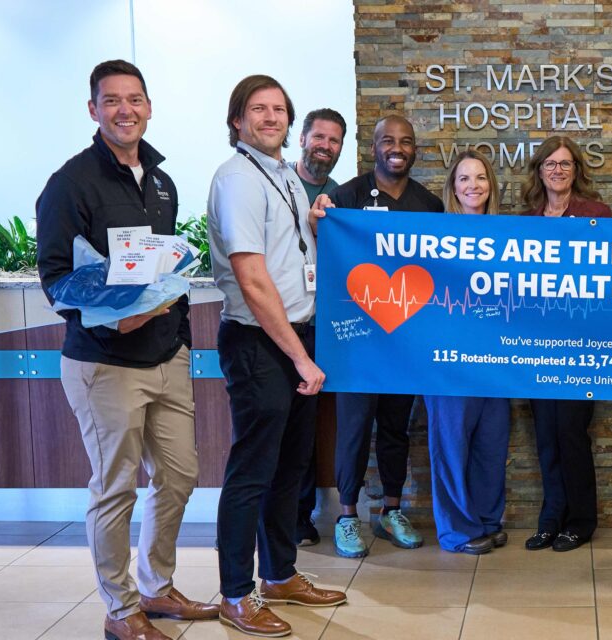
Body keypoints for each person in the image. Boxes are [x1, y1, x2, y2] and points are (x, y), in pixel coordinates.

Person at [35, 59, 216, 640]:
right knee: (115, 488)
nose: (124, 110)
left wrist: (177, 330)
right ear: (93, 109)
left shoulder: (161, 182)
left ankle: (157, 587)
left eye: (134, 99)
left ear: (149, 107)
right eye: (111, 100)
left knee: (180, 476)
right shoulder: (70, 183)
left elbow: (160, 263)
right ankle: (121, 609)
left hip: (167, 356)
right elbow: (56, 280)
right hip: (104, 362)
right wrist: (116, 319)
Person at [208, 74, 347, 637]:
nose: (271, 118)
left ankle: (281, 575)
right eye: (258, 109)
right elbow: (253, 278)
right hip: (262, 344)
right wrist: (300, 358)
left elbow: (290, 252)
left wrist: (314, 223)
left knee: (291, 467)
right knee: (252, 473)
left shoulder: (285, 175)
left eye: (279, 110)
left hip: (298, 338)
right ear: (237, 120)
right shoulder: (237, 179)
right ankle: (235, 594)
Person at [312, 114, 444, 558]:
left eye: (405, 141)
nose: (397, 148)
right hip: (356, 342)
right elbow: (326, 254)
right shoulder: (346, 197)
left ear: (415, 149)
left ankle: (391, 510)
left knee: (394, 429)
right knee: (353, 429)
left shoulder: (429, 204)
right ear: (374, 148)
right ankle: (347, 516)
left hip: (405, 342)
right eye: (388, 140)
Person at [519, 136, 611, 552]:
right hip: (537, 346)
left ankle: (581, 520)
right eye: (550, 164)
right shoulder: (526, 221)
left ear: (576, 170)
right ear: (539, 170)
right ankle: (550, 518)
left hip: (581, 345)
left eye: (565, 164)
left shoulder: (596, 215)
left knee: (571, 432)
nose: (557, 171)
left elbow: (609, 278)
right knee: (545, 435)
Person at [422, 150, 512, 555]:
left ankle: (488, 521)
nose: (473, 185)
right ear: (453, 188)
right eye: (464, 179)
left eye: (480, 177)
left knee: (491, 445)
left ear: (490, 185)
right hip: (448, 363)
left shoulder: (508, 236)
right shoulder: (434, 236)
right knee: (452, 446)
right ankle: (458, 531)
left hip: (495, 362)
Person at [292, 107, 347, 547]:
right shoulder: (281, 185)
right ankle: (266, 519)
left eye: (334, 141)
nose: (325, 146)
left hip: (321, 327)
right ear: (302, 138)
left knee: (307, 427)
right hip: (279, 323)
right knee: (274, 426)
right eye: (319, 137)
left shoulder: (341, 196)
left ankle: (300, 518)